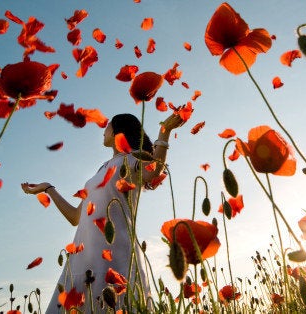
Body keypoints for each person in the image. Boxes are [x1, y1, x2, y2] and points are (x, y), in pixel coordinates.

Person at [21, 112, 184, 313]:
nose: (103, 131)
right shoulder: (101, 170)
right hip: (83, 256)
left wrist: (164, 132)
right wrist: (48, 188)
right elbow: (74, 217)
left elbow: (153, 172)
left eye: (107, 126)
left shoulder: (131, 159)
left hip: (116, 252)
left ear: (118, 130)